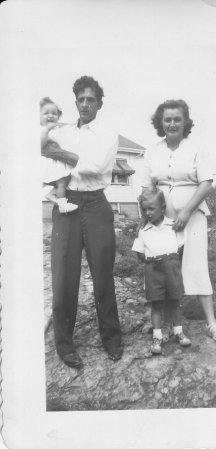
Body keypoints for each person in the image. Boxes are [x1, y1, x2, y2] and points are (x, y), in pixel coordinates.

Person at [46, 76, 123, 368]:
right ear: (75, 102)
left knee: (103, 274)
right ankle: (65, 345)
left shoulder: (108, 134)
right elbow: (45, 161)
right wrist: (60, 158)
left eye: (91, 99)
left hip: (96, 205)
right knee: (64, 277)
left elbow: (96, 166)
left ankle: (112, 339)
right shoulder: (64, 133)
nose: (86, 104)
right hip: (67, 204)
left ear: (99, 103)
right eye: (81, 99)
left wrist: (61, 156)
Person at [141, 99, 216, 343]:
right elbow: (147, 188)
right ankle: (162, 322)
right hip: (162, 220)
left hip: (193, 216)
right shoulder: (152, 152)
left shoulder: (195, 149)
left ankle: (211, 323)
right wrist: (148, 221)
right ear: (160, 123)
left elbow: (207, 182)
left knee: (197, 266)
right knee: (162, 268)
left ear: (186, 122)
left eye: (177, 119)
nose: (172, 123)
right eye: (167, 119)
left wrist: (187, 211)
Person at [132, 189, 191, 355]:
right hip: (153, 270)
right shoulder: (143, 230)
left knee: (174, 302)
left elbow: (180, 248)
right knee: (156, 304)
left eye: (151, 208)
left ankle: (178, 331)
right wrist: (152, 262)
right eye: (144, 209)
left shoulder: (173, 225)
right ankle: (157, 337)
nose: (147, 213)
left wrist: (170, 264)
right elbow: (139, 252)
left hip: (171, 268)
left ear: (163, 207)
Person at [40, 97, 79, 214]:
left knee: (65, 179)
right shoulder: (42, 129)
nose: (50, 116)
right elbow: (40, 144)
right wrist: (46, 129)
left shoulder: (57, 129)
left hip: (58, 161)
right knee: (62, 182)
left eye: (54, 113)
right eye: (46, 113)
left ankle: (52, 194)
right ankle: (62, 205)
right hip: (50, 162)